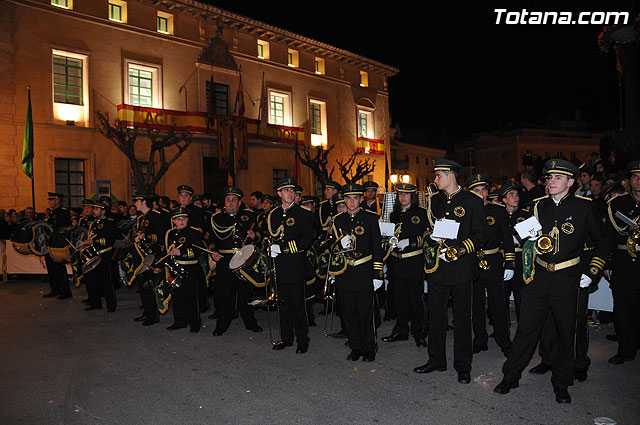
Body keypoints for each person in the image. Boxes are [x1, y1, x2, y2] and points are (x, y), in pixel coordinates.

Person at [494, 158, 610, 404]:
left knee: (566, 333)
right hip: (539, 277)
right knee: (526, 330)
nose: (551, 182)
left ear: (570, 181)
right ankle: (511, 376)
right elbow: (525, 237)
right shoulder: (537, 206)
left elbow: (602, 244)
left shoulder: (584, 207)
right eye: (549, 178)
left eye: (558, 178)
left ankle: (562, 382)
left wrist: (591, 272)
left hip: (568, 279)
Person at [414, 159, 488, 384]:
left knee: (462, 319)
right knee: (435, 316)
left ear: (451, 176)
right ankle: (436, 360)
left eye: (438, 175)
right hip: (438, 268)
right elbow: (428, 230)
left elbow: (480, 235)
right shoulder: (434, 201)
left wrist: (459, 250)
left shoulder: (472, 201)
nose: (435, 180)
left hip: (461, 268)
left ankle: (463, 365)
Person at [331, 183, 384, 361]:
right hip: (345, 272)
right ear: (344, 200)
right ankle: (356, 346)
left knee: (365, 312)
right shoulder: (338, 220)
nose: (351, 202)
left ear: (361, 199)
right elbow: (333, 249)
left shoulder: (370, 218)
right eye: (348, 198)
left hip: (364, 271)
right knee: (349, 312)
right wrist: (334, 271)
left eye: (355, 198)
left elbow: (377, 247)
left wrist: (378, 274)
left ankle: (369, 347)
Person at [465, 174, 515, 357]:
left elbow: (507, 239)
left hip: (494, 262)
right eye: (476, 191)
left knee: (498, 303)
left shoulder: (498, 211)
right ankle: (480, 339)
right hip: (473, 262)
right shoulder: (464, 212)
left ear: (488, 192)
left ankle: (503, 339)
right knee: (475, 304)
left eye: (484, 190)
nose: (481, 194)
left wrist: (509, 263)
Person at [267, 177, 315, 353]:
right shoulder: (273, 214)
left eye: (292, 190)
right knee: (283, 305)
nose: (290, 193)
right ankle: (286, 338)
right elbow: (271, 236)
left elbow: (307, 239)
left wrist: (283, 248)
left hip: (296, 265)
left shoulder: (304, 213)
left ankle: (303, 340)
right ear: (279, 193)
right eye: (286, 190)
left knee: (298, 305)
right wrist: (271, 248)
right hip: (279, 266)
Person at [208, 186, 263, 336]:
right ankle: (222, 325)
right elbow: (212, 240)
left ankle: (250, 322)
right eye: (228, 200)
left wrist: (254, 236)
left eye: (234, 200)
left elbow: (260, 235)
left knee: (246, 293)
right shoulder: (216, 218)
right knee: (224, 294)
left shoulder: (249, 216)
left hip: (244, 260)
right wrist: (213, 252)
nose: (231, 203)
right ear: (224, 203)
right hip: (225, 260)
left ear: (239, 202)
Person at [382, 182, 428, 348]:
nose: (403, 197)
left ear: (412, 196)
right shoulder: (393, 215)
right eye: (400, 194)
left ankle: (419, 333)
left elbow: (428, 236)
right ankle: (401, 331)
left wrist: (412, 242)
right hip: (396, 263)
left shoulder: (421, 213)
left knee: (416, 300)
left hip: (414, 262)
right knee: (400, 300)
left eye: (406, 194)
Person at [604, 159, 640, 365]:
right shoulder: (617, 204)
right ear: (629, 180)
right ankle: (626, 350)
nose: (638, 181)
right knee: (623, 308)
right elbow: (609, 236)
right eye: (635, 177)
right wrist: (607, 263)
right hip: (623, 262)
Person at [163, 207, 203, 333]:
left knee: (191, 297)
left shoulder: (194, 232)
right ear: (173, 221)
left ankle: (194, 323)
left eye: (184, 218)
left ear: (187, 219)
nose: (181, 221)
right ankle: (180, 321)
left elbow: (198, 250)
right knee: (177, 296)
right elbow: (167, 249)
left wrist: (181, 252)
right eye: (178, 219)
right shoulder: (170, 233)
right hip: (175, 268)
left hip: (190, 268)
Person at [133, 194, 170, 326]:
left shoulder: (156, 216)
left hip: (154, 256)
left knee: (149, 285)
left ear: (143, 202)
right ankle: (147, 311)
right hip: (143, 255)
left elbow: (161, 236)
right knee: (142, 285)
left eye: (137, 201)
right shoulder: (141, 218)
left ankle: (153, 315)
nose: (135, 204)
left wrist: (146, 237)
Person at [500, 182, 530, 322]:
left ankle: (522, 325)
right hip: (503, 258)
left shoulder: (525, 215)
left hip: (520, 258)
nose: (516, 197)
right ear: (504, 199)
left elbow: (532, 239)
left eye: (517, 194)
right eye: (511, 195)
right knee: (502, 295)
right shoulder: (499, 215)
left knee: (520, 294)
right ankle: (503, 326)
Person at [83, 201, 117, 312]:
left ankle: (111, 305)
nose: (94, 211)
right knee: (92, 280)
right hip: (92, 254)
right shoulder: (93, 223)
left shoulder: (109, 223)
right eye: (94, 209)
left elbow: (110, 240)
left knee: (106, 281)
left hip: (104, 255)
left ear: (103, 211)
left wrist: (95, 241)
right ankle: (95, 303)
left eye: (96, 209)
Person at [43, 193, 73, 299]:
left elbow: (63, 228)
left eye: (52, 200)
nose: (49, 202)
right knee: (51, 268)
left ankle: (65, 291)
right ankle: (55, 289)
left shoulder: (63, 213)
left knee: (59, 268)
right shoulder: (51, 213)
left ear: (57, 201)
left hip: (58, 244)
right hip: (50, 243)